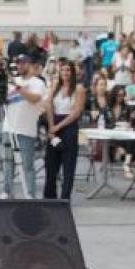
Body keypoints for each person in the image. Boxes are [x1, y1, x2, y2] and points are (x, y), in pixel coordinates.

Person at [1, 54, 46, 199]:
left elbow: (35, 99)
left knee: (27, 165)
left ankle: (30, 193)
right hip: (9, 127)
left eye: (22, 63)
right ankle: (7, 191)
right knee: (8, 163)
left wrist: (17, 86)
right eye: (17, 63)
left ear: (30, 64)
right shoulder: (13, 81)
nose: (19, 66)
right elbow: (2, 99)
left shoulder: (37, 83)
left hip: (26, 130)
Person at [43, 60, 86, 200]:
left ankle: (65, 197)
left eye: (68, 70)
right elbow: (48, 105)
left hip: (69, 125)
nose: (65, 73)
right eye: (63, 70)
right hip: (54, 122)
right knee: (51, 163)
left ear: (72, 72)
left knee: (68, 164)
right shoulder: (55, 86)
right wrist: (51, 126)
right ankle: (50, 196)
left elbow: (77, 111)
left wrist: (59, 126)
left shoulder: (78, 88)